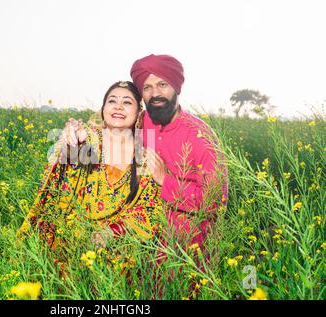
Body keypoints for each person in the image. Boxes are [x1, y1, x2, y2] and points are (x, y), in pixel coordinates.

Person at [64, 54, 228, 258]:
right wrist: (78, 132)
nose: (155, 93)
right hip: (143, 247)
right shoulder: (144, 122)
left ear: (176, 87)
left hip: (187, 248)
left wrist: (164, 180)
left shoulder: (201, 137)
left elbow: (216, 202)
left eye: (162, 84)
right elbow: (112, 118)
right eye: (147, 88)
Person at [17, 81, 165, 259]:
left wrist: (112, 232)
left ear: (139, 112)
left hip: (119, 240)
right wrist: (72, 146)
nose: (118, 106)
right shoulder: (90, 137)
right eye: (112, 101)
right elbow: (69, 166)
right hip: (74, 231)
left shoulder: (145, 149)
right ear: (103, 109)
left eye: (127, 102)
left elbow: (148, 208)